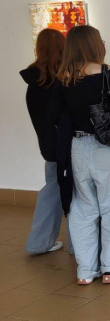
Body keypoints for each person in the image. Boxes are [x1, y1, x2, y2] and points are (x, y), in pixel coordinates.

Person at [51, 25, 110, 285]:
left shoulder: (64, 77)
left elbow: (57, 115)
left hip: (78, 147)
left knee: (84, 208)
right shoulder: (107, 73)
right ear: (95, 44)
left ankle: (86, 271)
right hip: (107, 147)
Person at [20, 28, 72, 255]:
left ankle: (40, 242)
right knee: (76, 195)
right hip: (71, 145)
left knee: (52, 191)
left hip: (49, 147)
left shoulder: (33, 83)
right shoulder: (66, 79)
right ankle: (78, 246)